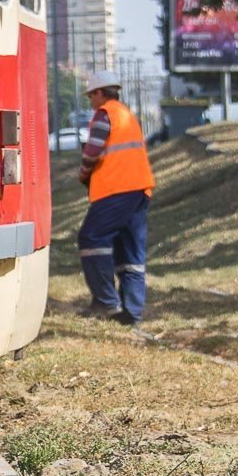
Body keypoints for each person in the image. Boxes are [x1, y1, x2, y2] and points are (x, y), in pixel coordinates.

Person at [76, 70, 156, 326]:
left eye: (91, 96)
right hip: (139, 189)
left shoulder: (105, 114)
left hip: (115, 189)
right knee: (130, 251)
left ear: (100, 93)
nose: (91, 102)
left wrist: (84, 172)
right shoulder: (126, 114)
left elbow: (92, 152)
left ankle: (106, 303)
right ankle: (131, 313)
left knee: (92, 238)